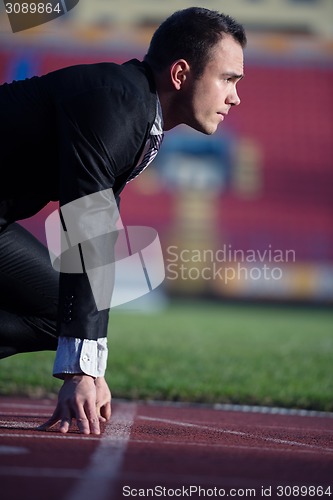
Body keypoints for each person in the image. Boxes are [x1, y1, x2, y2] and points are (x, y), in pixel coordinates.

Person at [0, 7, 246, 434]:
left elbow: (99, 236)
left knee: (61, 311)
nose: (235, 97)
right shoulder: (117, 102)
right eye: (228, 79)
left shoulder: (139, 114)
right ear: (181, 73)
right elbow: (86, 228)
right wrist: (80, 372)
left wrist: (92, 367)